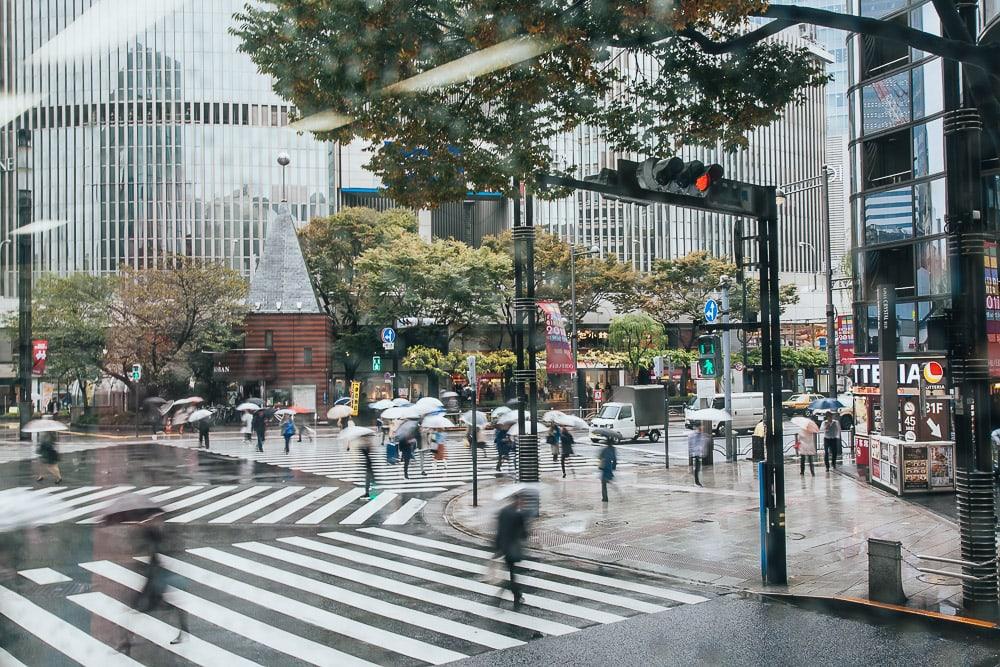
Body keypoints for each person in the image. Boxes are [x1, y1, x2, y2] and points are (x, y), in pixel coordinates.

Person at [119, 519, 188, 652]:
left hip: (154, 584)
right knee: (161, 606)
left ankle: (126, 641)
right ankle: (184, 631)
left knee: (135, 607)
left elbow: (154, 566)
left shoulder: (154, 547)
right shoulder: (156, 547)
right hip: (155, 582)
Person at [494, 492, 529, 608]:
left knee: (512, 573)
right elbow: (524, 534)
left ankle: (517, 595)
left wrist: (497, 549)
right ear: (517, 501)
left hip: (504, 547)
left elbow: (498, 531)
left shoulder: (503, 512)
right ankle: (508, 593)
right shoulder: (518, 515)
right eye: (521, 501)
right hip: (513, 549)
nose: (522, 503)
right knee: (513, 573)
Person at [358, 434, 377, 498]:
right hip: (368, 464)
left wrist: (362, 447)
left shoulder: (368, 445)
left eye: (364, 438)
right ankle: (369, 493)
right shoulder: (367, 444)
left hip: (369, 465)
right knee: (370, 480)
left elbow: (367, 453)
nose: (363, 439)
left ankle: (369, 493)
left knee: (369, 480)